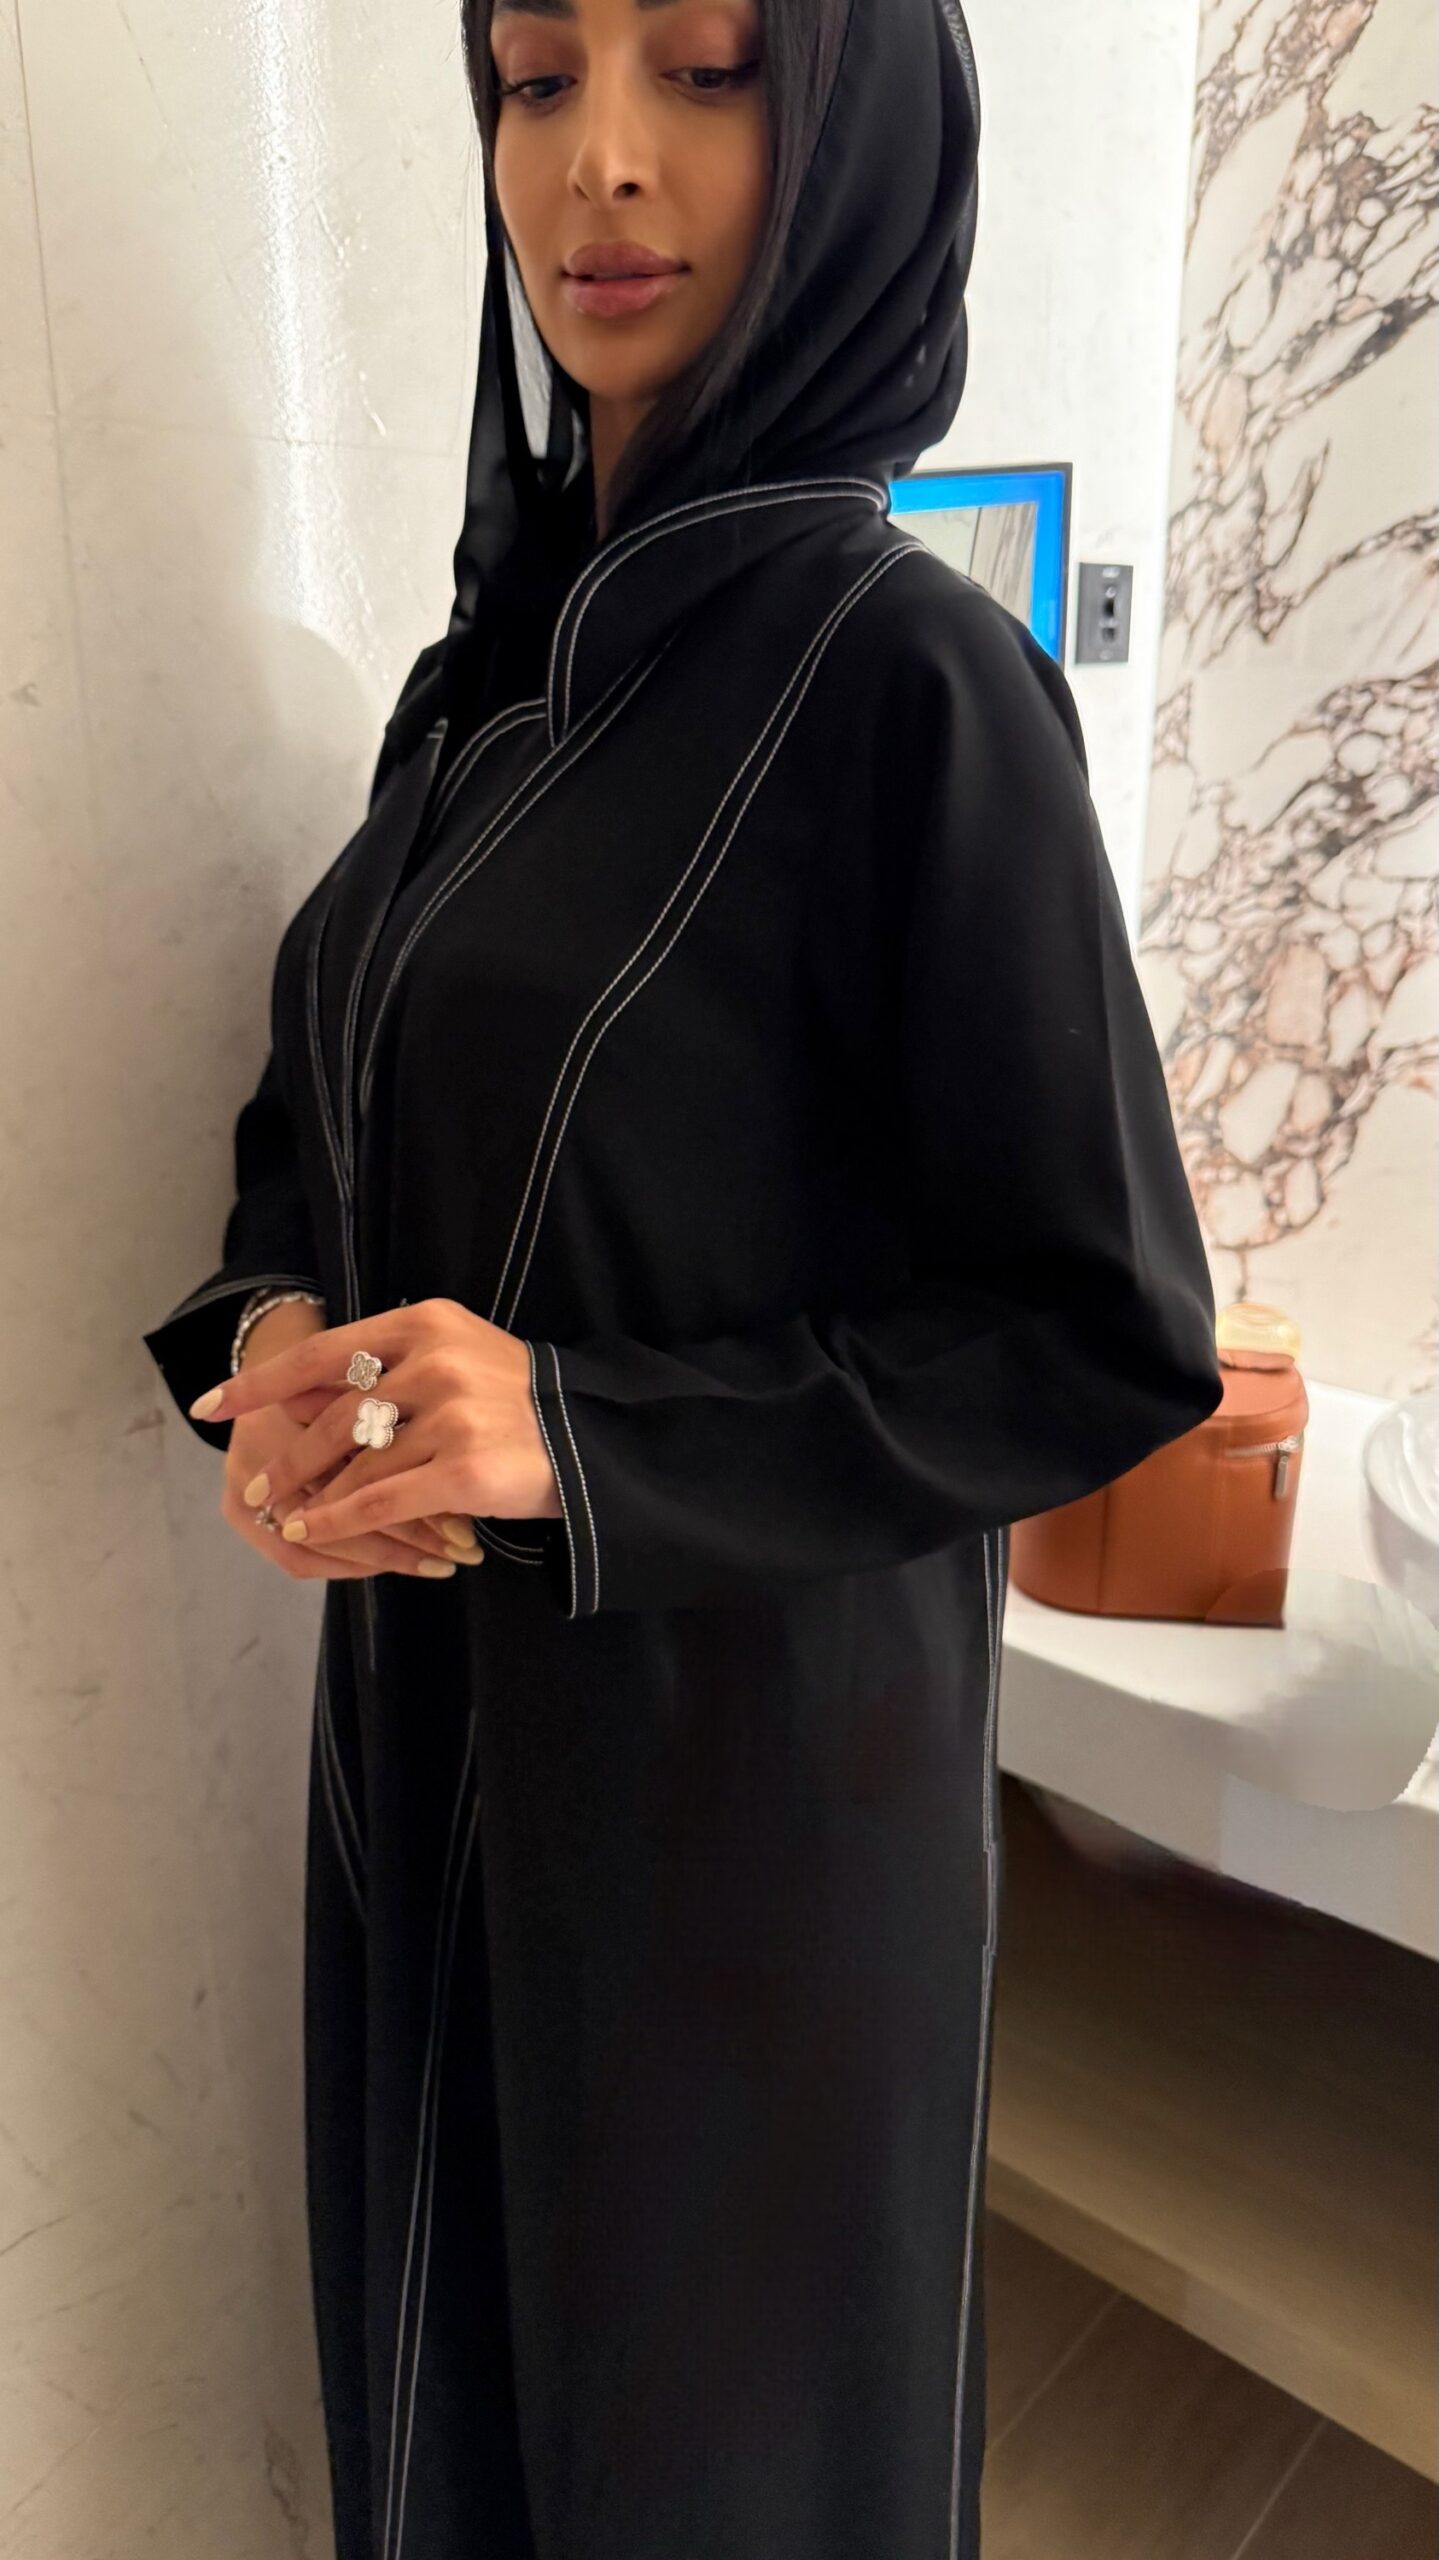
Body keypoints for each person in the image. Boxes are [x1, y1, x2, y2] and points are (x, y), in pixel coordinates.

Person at [141, 0, 1223, 2552]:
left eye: (710, 65)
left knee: (706, 2468)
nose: (597, 163)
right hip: (435, 1743)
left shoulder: (911, 681)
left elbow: (1103, 1321)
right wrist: (276, 1351)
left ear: (849, 132)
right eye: (536, 77)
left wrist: (581, 1432)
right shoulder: (475, 696)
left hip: (747, 1820)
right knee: (455, 2418)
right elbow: (324, 1125)